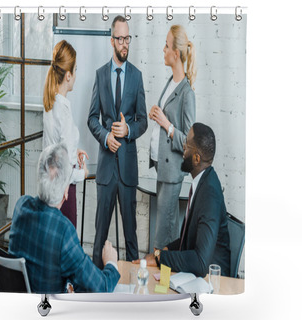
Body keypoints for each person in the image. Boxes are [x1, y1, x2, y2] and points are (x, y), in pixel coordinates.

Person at [8, 143, 120, 293]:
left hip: (19, 306)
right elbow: (101, 287)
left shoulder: (21, 205)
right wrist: (111, 263)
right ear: (66, 192)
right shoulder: (63, 230)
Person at [88, 15, 147, 269]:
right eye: (120, 39)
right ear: (112, 41)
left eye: (128, 39)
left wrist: (127, 130)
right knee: (100, 237)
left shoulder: (136, 76)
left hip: (128, 171)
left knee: (131, 239)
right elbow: (92, 119)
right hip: (105, 171)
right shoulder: (101, 75)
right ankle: (93, 290)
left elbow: (143, 120)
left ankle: (134, 293)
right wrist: (106, 136)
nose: (125, 44)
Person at [133, 123, 231, 277]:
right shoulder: (202, 182)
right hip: (198, 273)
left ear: (197, 158)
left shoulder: (209, 194)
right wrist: (164, 250)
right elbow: (189, 238)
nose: (183, 148)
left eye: (187, 144)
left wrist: (160, 258)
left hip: (214, 280)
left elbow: (200, 262)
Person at [149, 25, 197, 250]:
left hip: (172, 174)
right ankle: (162, 283)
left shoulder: (187, 93)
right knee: (164, 231)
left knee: (164, 236)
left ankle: (164, 283)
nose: (163, 49)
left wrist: (166, 125)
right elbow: (165, 117)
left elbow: (189, 143)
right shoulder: (171, 82)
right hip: (162, 169)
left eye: (167, 46)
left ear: (176, 54)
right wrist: (157, 115)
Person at [43, 40, 89, 228]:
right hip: (64, 195)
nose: (76, 75)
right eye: (75, 70)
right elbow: (67, 173)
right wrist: (83, 173)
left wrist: (73, 150)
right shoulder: (63, 110)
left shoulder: (50, 104)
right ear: (68, 75)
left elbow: (55, 150)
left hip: (49, 190)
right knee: (65, 252)